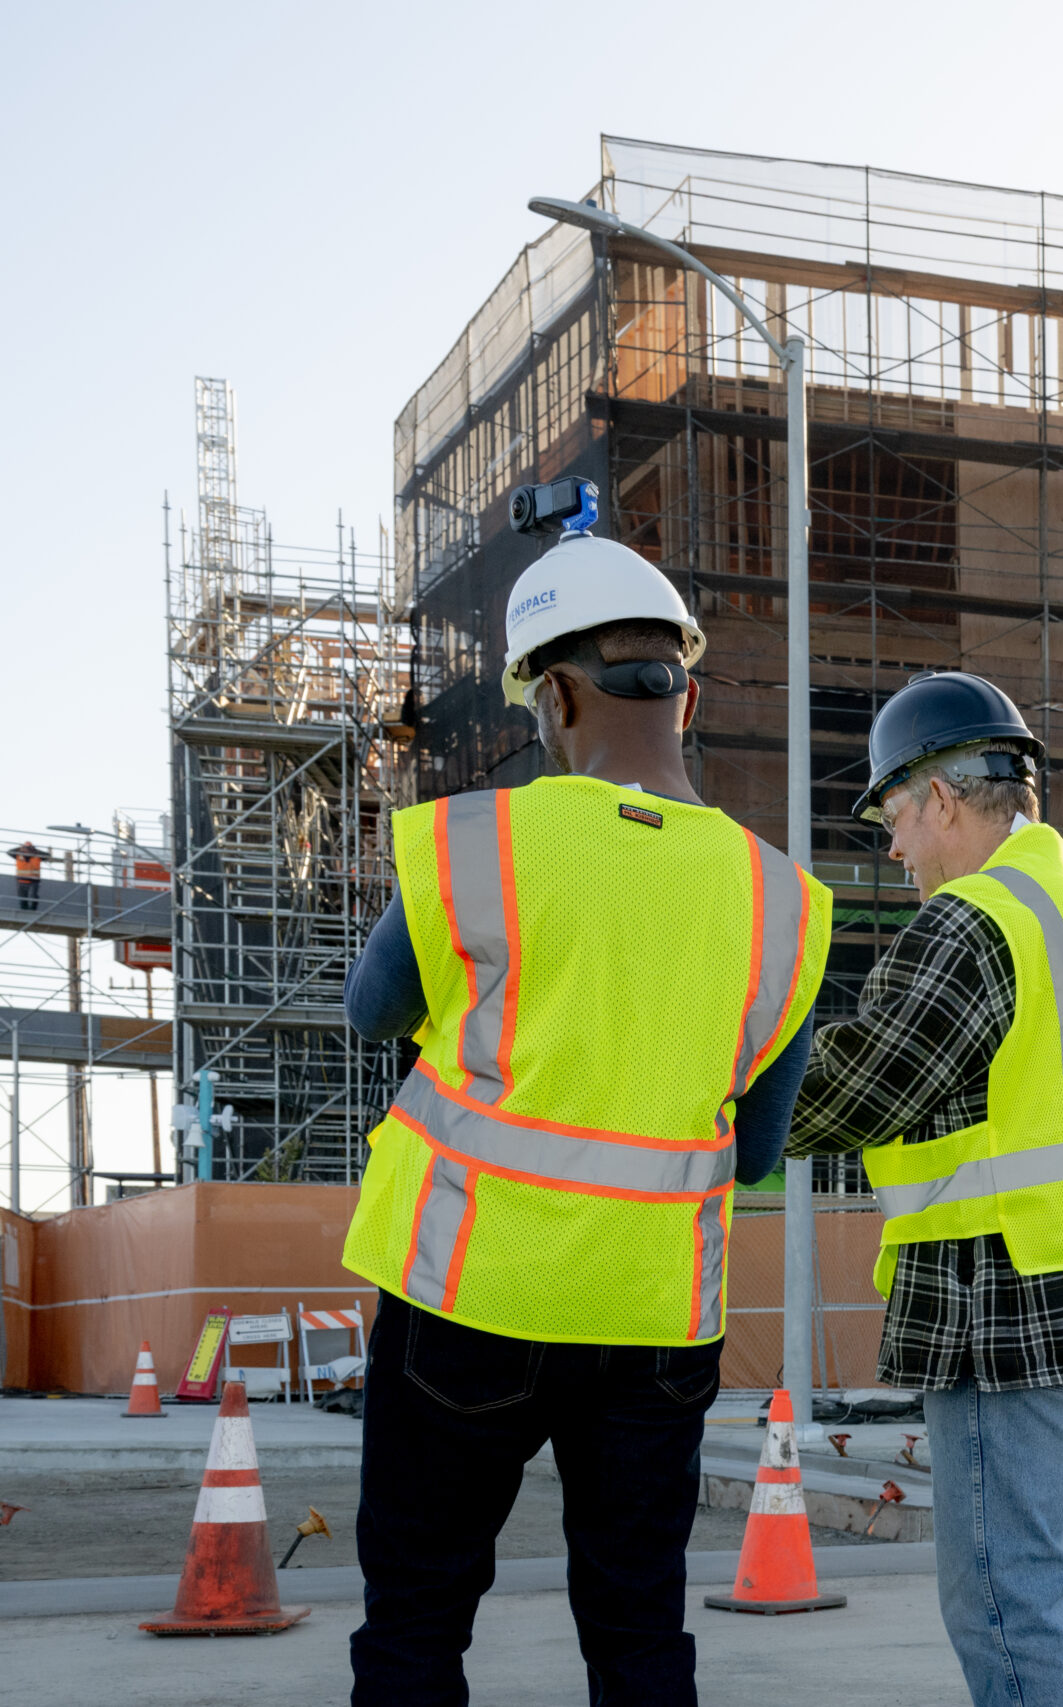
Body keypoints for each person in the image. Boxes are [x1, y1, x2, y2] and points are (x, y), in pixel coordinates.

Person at [336, 531, 832, 1707]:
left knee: (415, 1623)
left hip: (466, 1294)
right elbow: (755, 1149)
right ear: (689, 694)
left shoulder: (480, 846)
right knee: (638, 1632)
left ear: (551, 695)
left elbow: (372, 1014)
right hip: (657, 1320)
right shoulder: (780, 902)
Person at [788, 671, 1063, 1707]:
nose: (891, 849)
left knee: (1002, 1597)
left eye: (891, 816)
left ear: (939, 796)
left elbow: (848, 1095)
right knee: (1044, 1574)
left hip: (1014, 1290)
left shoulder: (976, 921)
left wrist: (715, 1064)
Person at [12, 841, 44, 911]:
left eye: (29, 848)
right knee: (22, 898)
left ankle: (32, 910)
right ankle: (24, 911)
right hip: (21, 880)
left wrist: (35, 850)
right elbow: (9, 852)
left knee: (33, 896)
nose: (27, 850)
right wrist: (20, 848)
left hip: (34, 881)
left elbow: (47, 855)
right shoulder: (18, 855)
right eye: (26, 848)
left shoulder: (37, 856)